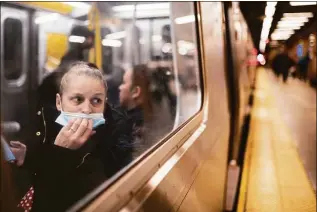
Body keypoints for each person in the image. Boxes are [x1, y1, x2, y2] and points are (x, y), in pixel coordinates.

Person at [10, 61, 133, 212]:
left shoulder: (112, 142)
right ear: (59, 103)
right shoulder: (54, 127)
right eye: (77, 99)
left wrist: (61, 152)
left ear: (104, 104)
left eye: (96, 100)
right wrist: (30, 155)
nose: (87, 109)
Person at [119, 64, 154, 157]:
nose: (120, 87)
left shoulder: (132, 128)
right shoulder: (150, 116)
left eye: (123, 82)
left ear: (135, 92)